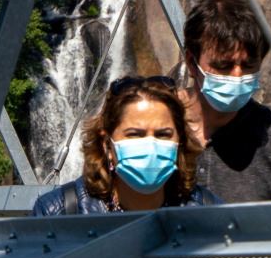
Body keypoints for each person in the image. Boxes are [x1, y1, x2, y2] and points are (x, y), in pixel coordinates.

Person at [179, 0, 271, 203]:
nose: (237, 76)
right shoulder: (151, 126)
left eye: (249, 65)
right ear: (192, 63)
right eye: (223, 65)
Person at [31, 76, 219, 216]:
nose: (150, 145)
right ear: (107, 145)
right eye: (134, 134)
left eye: (163, 134)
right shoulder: (58, 211)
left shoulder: (209, 211)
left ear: (180, 142)